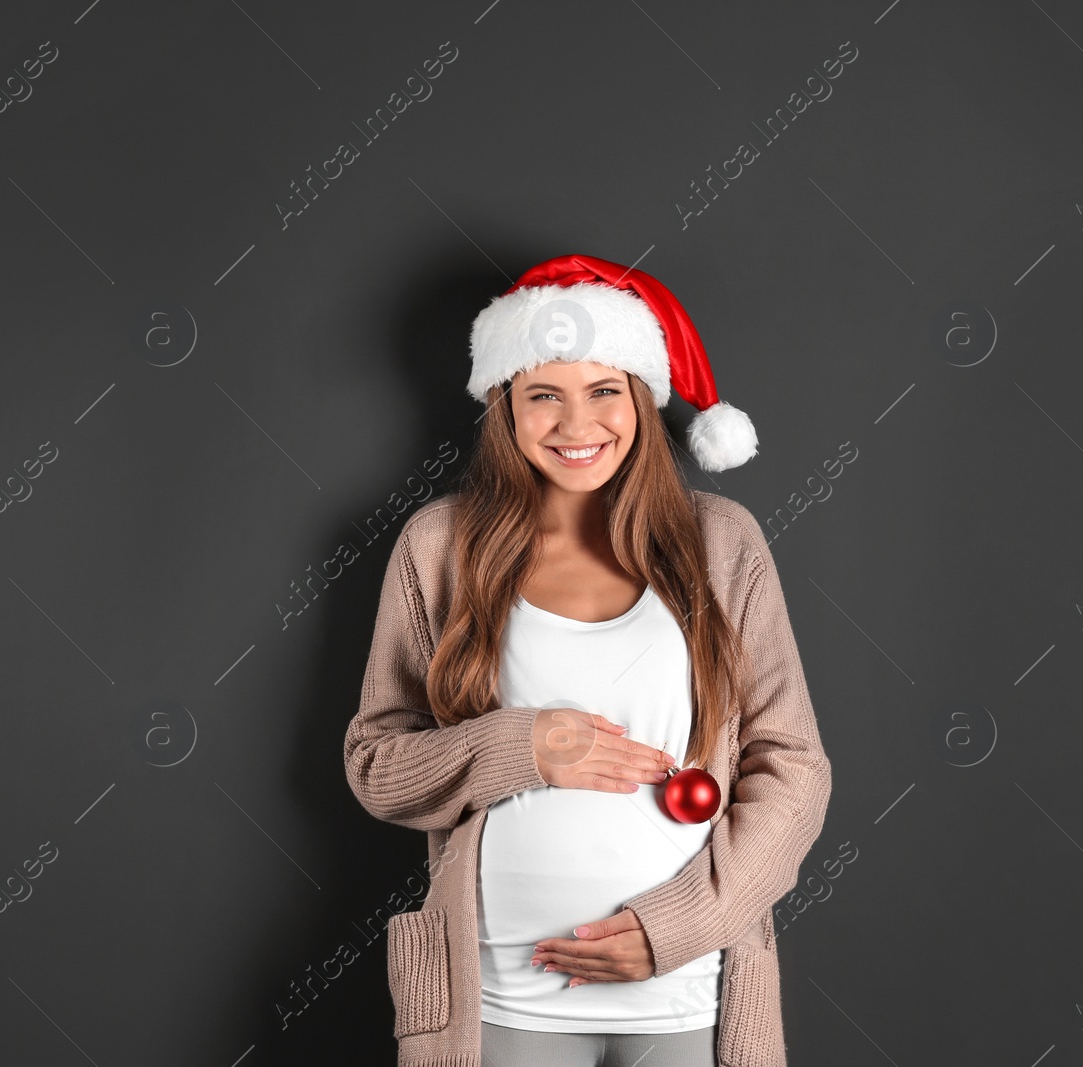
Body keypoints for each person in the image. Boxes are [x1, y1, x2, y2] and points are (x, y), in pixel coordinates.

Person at [342, 254, 832, 1067]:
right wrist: (519, 746)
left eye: (604, 390)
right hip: (499, 991)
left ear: (640, 397)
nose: (578, 424)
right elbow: (376, 763)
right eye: (545, 395)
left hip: (687, 988)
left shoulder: (723, 542)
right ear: (506, 406)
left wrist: (675, 929)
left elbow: (796, 768)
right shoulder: (439, 546)